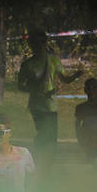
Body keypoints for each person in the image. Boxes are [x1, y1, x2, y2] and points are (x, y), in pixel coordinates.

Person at [17, 29, 83, 171]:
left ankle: (44, 164)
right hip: (39, 106)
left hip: (49, 106)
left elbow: (65, 78)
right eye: (34, 42)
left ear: (43, 43)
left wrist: (76, 75)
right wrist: (35, 89)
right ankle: (39, 162)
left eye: (38, 42)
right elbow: (20, 86)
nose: (37, 45)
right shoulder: (29, 65)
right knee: (46, 134)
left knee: (49, 136)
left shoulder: (50, 61)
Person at [74, 78, 97, 161]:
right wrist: (81, 140)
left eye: (94, 88)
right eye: (89, 88)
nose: (91, 91)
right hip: (88, 142)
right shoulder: (81, 108)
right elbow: (77, 126)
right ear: (86, 90)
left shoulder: (81, 108)